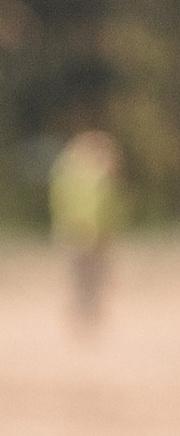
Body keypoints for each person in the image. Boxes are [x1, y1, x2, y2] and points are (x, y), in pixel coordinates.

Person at [50, 127, 121, 334]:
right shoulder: (98, 176)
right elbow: (105, 207)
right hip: (91, 233)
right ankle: (87, 318)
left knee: (79, 279)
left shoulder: (65, 173)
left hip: (71, 231)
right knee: (93, 279)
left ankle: (83, 317)